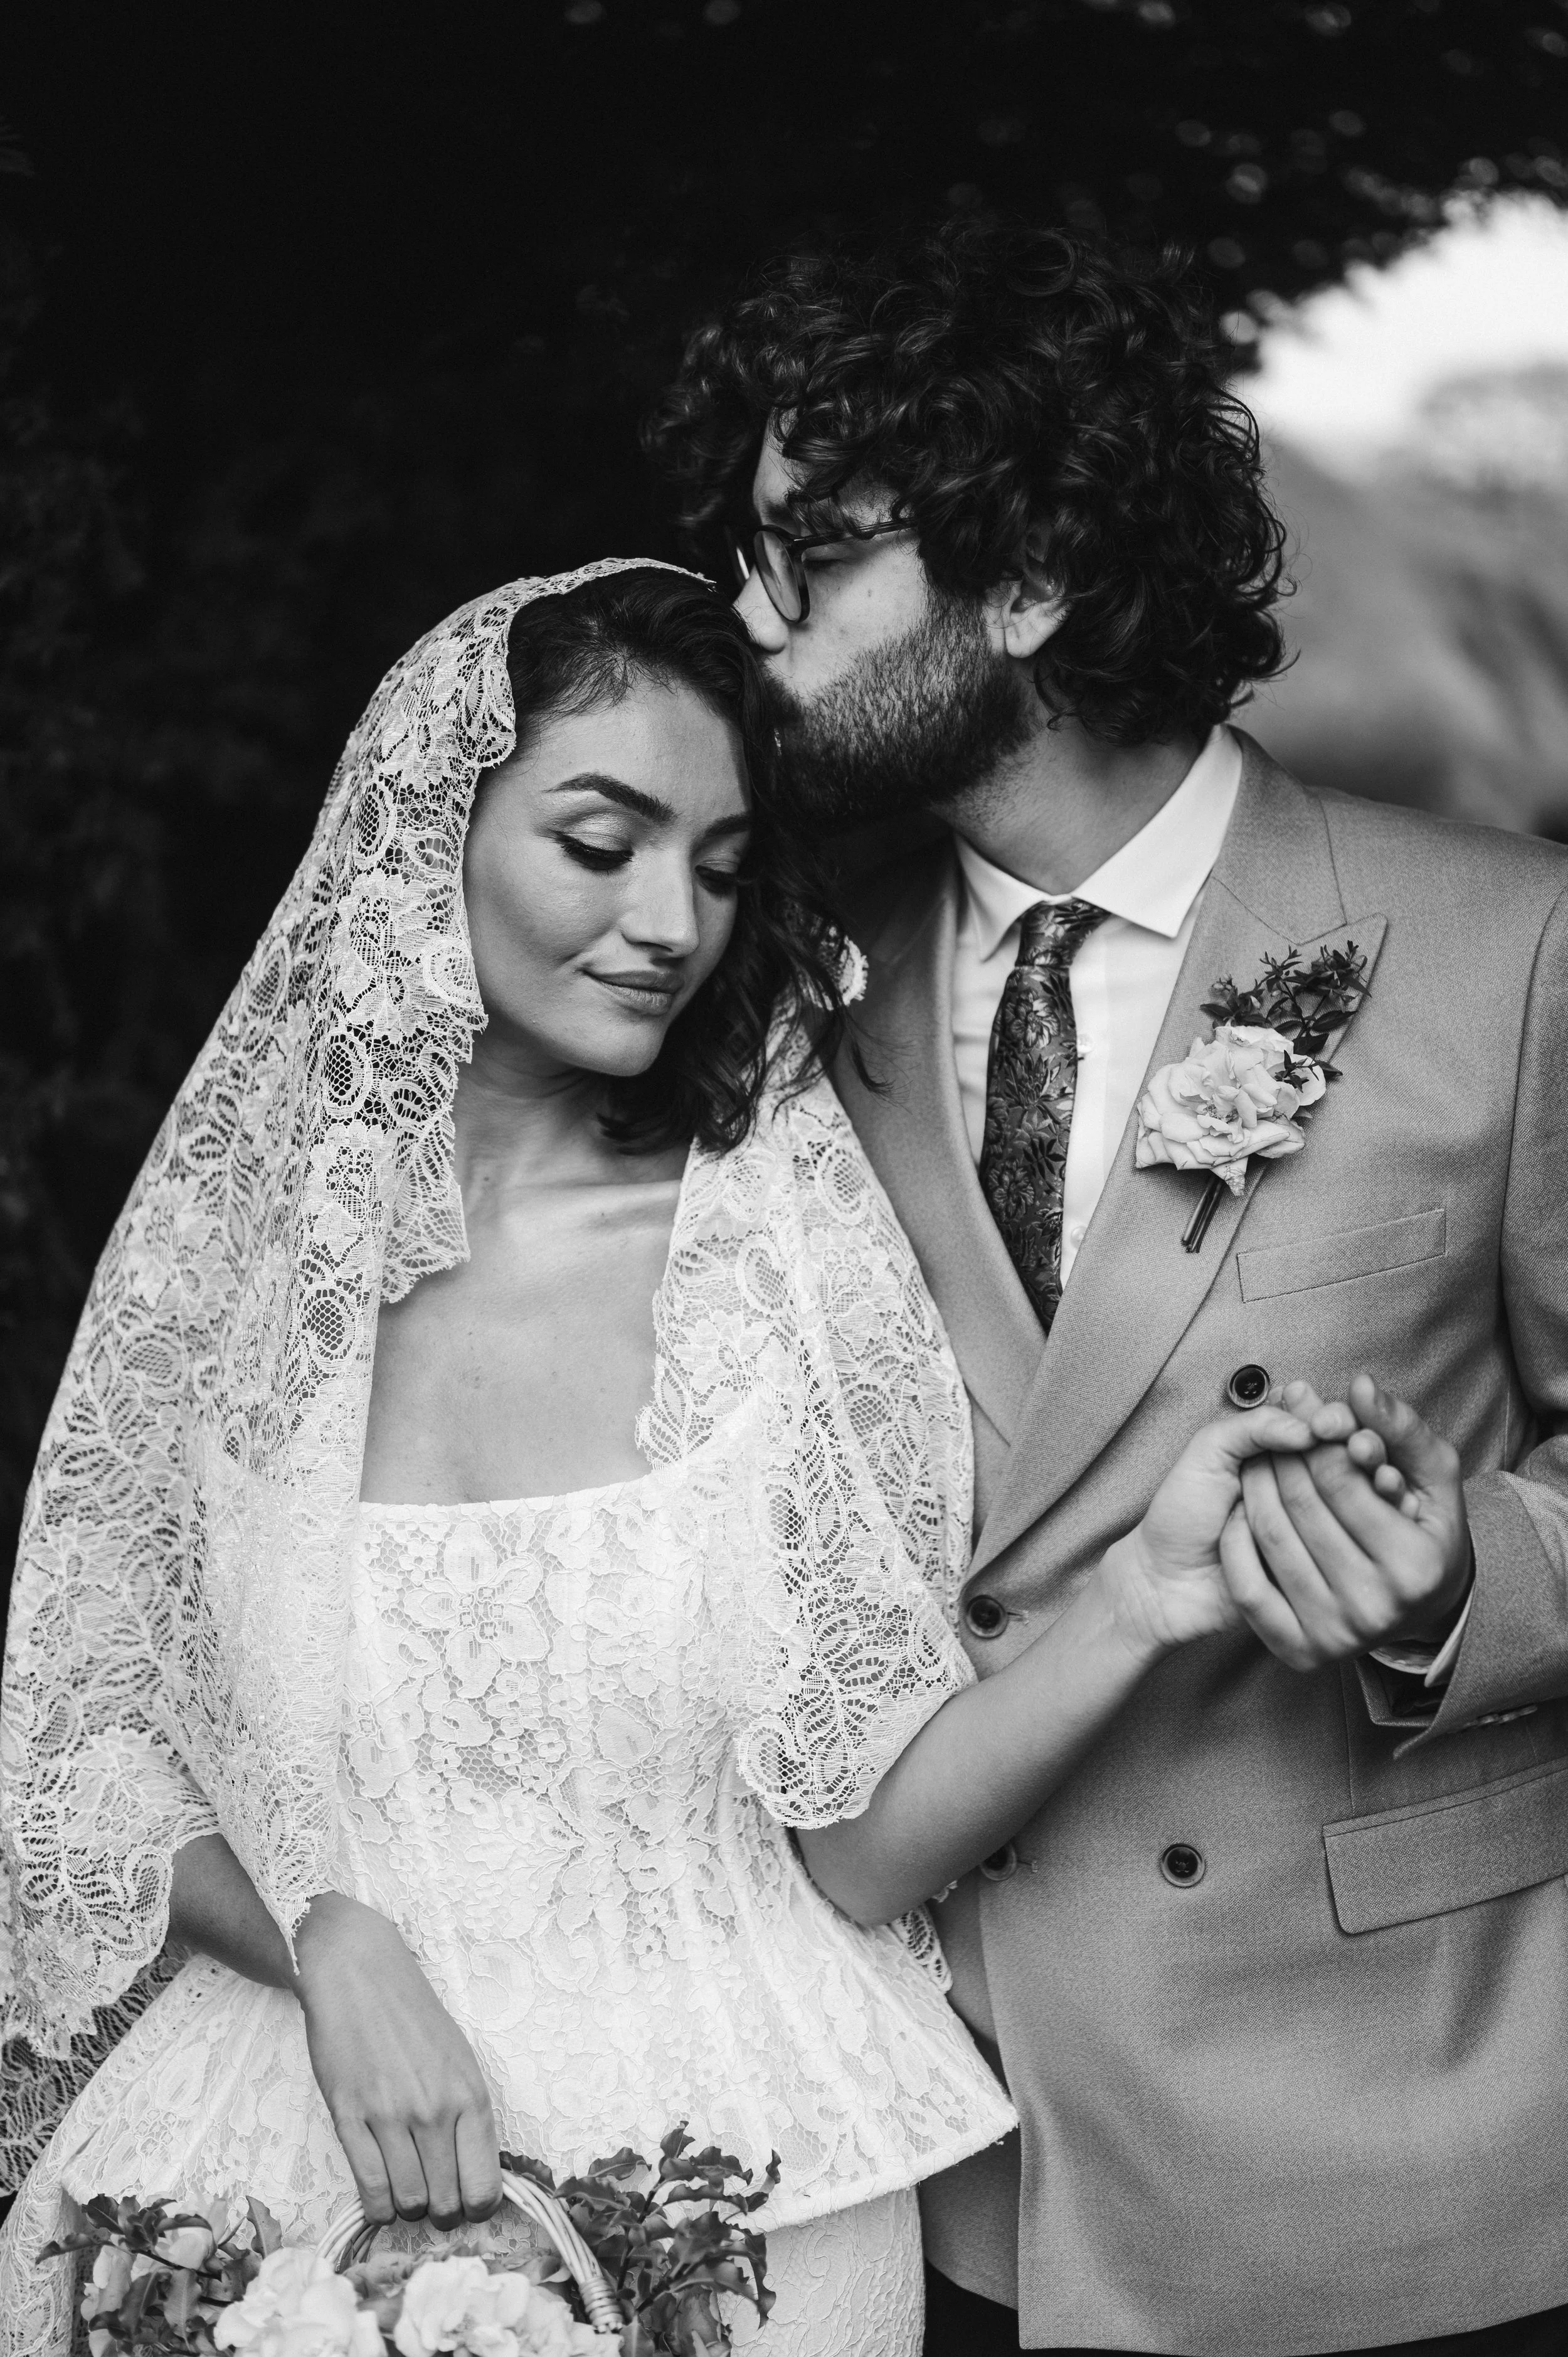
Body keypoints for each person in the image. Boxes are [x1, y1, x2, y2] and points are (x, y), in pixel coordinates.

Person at [0, 560, 1406, 2357]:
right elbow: (88, 1752)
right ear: (432, 830)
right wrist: (325, 1931)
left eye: (720, 866)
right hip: (235, 2181)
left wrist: (1142, 1599)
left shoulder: (781, 1252)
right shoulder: (238, 1259)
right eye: (600, 841)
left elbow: (858, 1850)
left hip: (731, 2209)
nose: (668, 917)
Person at [649, 218, 1568, 2357]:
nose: (751, 618)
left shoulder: (1502, 946)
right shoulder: (773, 971)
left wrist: (1460, 1579)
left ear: (1029, 579)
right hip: (943, 2134)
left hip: (1402, 2137)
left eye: (816, 555)